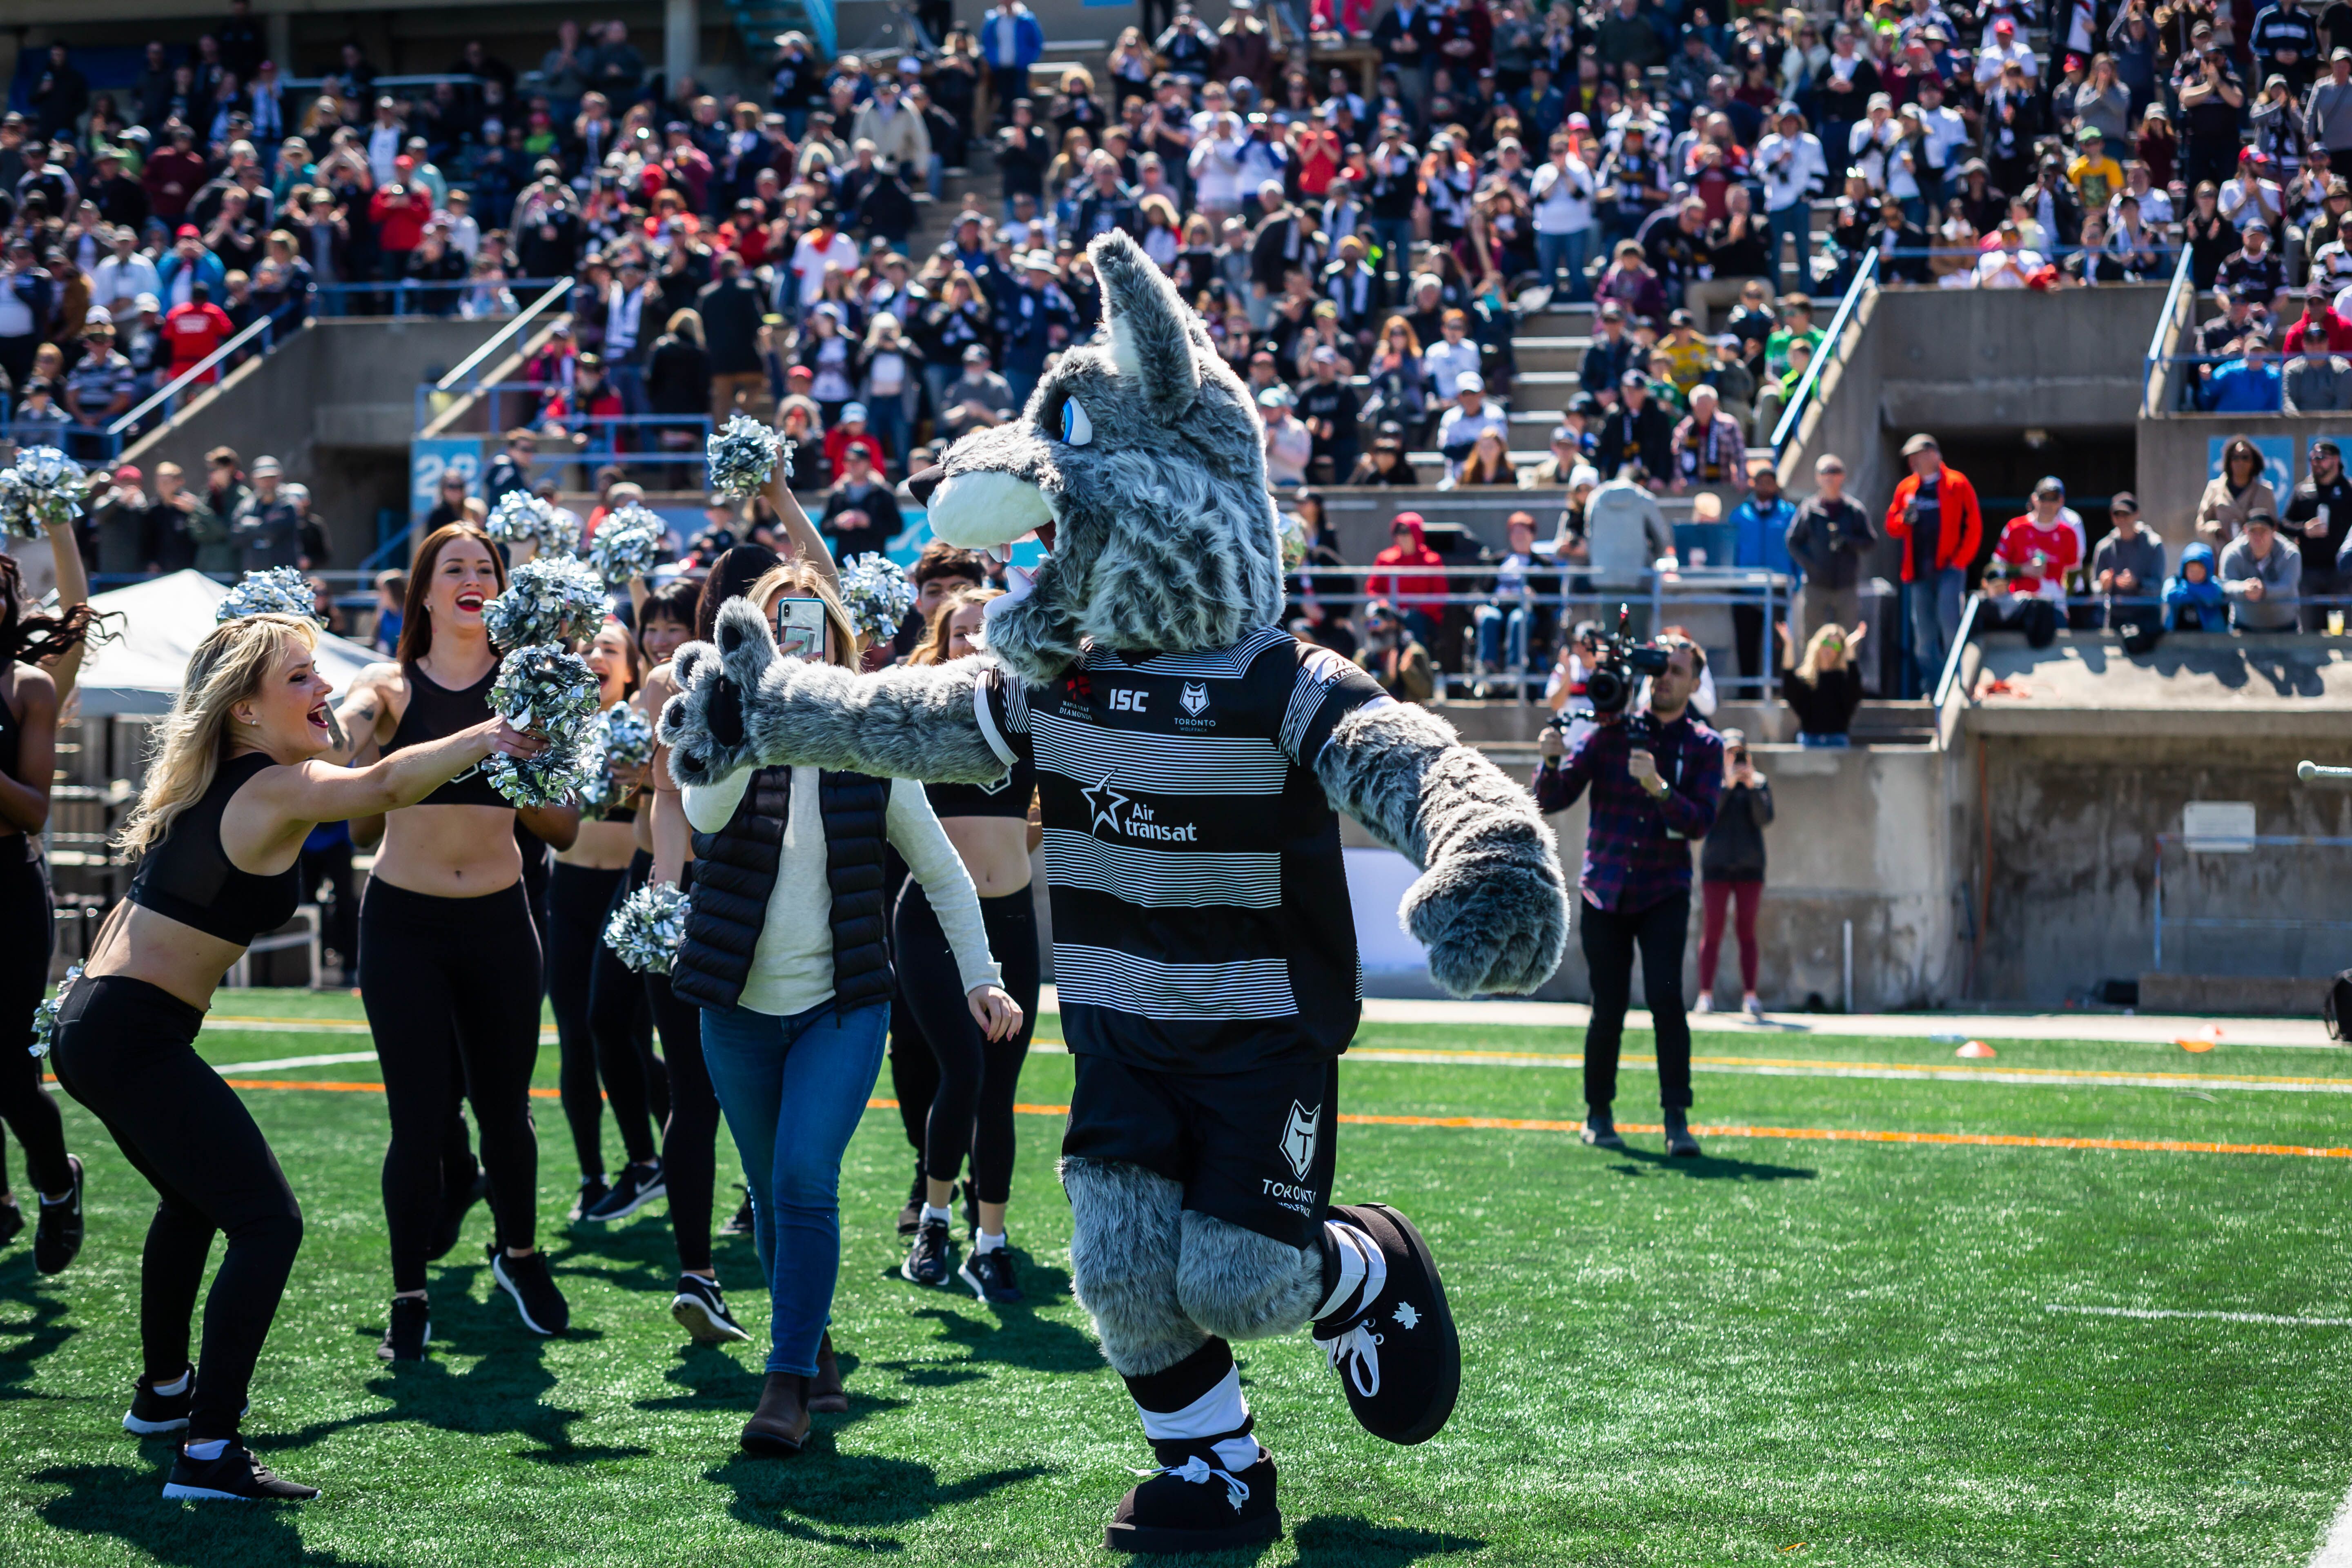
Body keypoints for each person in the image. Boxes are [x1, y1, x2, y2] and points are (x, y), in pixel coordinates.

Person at [56, 610, 540, 1501]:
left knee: (194, 1202)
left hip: (97, 1024)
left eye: (320, 674)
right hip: (128, 1032)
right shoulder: (269, 785)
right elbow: (388, 785)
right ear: (244, 709)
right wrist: (493, 732)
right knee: (269, 1221)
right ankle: (208, 1453)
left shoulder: (221, 779)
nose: (323, 688)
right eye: (301, 677)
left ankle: (165, 1397)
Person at [673, 558, 1020, 1453]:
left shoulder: (870, 743)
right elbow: (705, 819)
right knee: (769, 1188)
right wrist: (734, 722)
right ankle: (812, 1344)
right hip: (737, 1007)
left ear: (840, 640)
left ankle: (783, 1385)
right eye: (778, 621)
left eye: (811, 622)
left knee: (801, 1180)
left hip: (843, 1002)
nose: (797, 637)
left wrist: (983, 976)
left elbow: (941, 870)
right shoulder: (730, 719)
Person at [332, 525, 584, 1359]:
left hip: (500, 923)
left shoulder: (531, 688)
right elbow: (344, 735)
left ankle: (521, 1256)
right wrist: (350, 723)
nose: (472, 579)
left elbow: (566, 829)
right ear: (427, 594)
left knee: (506, 1112)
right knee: (416, 1121)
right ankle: (409, 1294)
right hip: (402, 926)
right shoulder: (391, 687)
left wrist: (530, 755)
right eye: (455, 569)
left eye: (486, 568)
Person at [890, 586, 1042, 1300]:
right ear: (941, 644)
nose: (975, 642)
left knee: (1000, 1090)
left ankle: (993, 1242)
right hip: (933, 923)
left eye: (988, 630)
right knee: (965, 1073)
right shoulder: (923, 714)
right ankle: (934, 1222)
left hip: (1013, 921)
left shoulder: (1034, 714)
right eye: (961, 633)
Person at [1533, 634, 1723, 1156]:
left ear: (1694, 683)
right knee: (1608, 1006)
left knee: (1667, 1002)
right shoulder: (1608, 733)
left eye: (1677, 670)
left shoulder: (1706, 746)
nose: (1665, 678)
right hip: (1605, 891)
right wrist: (1549, 761)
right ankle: (1598, 1113)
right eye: (1659, 668)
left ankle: (1676, 1121)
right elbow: (1552, 798)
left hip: (1664, 890)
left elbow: (1702, 821)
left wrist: (1659, 788)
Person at [0, 519, 98, 1272]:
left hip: (7, 885)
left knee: (7, 1071)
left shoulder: (27, 685)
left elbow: (33, 808)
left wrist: (59, 523)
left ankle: (56, 1184)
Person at [548, 622, 669, 1226]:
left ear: (631, 669)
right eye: (584, 647)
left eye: (610, 650)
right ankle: (593, 1174)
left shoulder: (645, 722)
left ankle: (664, 1154)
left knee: (624, 1033)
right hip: (567, 893)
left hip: (626, 892)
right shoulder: (555, 725)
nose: (594, 656)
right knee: (576, 1039)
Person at [1882, 433, 1981, 693]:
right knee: (1924, 641)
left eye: (1917, 455)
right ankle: (1936, 688)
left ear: (1933, 454)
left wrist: (1960, 561)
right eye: (1910, 457)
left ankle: (1960, 685)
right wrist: (1905, 519)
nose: (1913, 461)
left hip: (1950, 569)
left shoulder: (1957, 483)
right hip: (1918, 573)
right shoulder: (1906, 488)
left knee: (1950, 628)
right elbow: (1892, 526)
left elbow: (1974, 526)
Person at [1696, 728, 1772, 1020]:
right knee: (1712, 931)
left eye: (1739, 752)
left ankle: (1750, 997)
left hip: (1750, 868)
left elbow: (1764, 818)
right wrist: (1727, 785)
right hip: (1716, 867)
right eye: (1729, 752)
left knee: (1747, 932)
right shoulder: (1712, 783)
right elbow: (1708, 818)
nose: (1735, 758)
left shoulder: (1759, 783)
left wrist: (1751, 785)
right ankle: (1705, 995)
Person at [2285, 440, 2352, 628]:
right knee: (2310, 631)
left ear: (2336, 460)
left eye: (2321, 458)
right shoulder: (2303, 491)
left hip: (2344, 574)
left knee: (2346, 632)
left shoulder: (2349, 490)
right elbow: (2283, 524)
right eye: (2312, 458)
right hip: (2309, 572)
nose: (2315, 462)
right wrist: (2304, 529)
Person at [2091, 492, 2168, 636]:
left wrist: (2137, 584)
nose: (2122, 519)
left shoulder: (2154, 545)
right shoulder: (2104, 547)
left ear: (2136, 514)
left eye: (2126, 514)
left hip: (2147, 619)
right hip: (2116, 618)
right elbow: (2095, 587)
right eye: (2117, 515)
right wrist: (2104, 585)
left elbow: (2158, 586)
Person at [1781, 620, 1866, 746]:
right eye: (1826, 642)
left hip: (1837, 740)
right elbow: (1789, 686)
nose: (1829, 649)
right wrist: (1789, 645)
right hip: (1809, 739)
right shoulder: (1807, 678)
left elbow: (1855, 693)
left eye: (1836, 646)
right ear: (1818, 644)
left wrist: (1850, 649)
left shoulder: (1843, 679)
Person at [2222, 511, 2304, 629]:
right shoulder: (2232, 553)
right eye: (2253, 531)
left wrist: (2264, 590)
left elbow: (2289, 586)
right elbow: (2226, 584)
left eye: (2263, 531)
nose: (2258, 537)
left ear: (2274, 531)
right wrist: (2244, 588)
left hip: (2285, 627)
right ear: (2245, 530)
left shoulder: (2290, 553)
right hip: (2244, 626)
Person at [2196, 436, 2281, 546]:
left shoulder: (2265, 490)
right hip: (2221, 554)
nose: (2240, 462)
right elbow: (2201, 524)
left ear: (2253, 462)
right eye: (2235, 458)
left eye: (2245, 458)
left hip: (2255, 555)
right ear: (2229, 461)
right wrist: (2215, 529)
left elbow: (2273, 526)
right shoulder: (2215, 488)